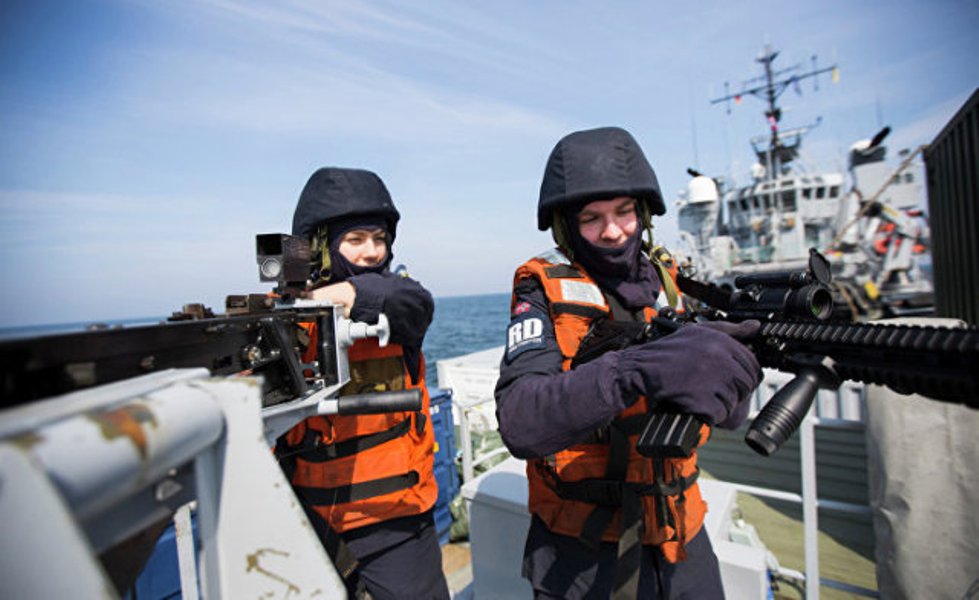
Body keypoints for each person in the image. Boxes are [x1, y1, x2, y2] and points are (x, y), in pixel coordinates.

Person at [495, 127, 763, 599]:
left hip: (680, 535)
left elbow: (730, 415)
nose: (614, 231)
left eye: (624, 211)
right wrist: (635, 368)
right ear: (566, 225)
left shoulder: (672, 281)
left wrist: (729, 370)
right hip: (582, 554)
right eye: (591, 218)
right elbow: (521, 420)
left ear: (643, 212)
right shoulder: (540, 287)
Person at [276, 166, 450, 600]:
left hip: (397, 522)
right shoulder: (284, 316)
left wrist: (338, 297)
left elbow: (414, 303)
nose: (372, 252)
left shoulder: (400, 297)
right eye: (355, 240)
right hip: (310, 522)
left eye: (379, 239)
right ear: (321, 247)